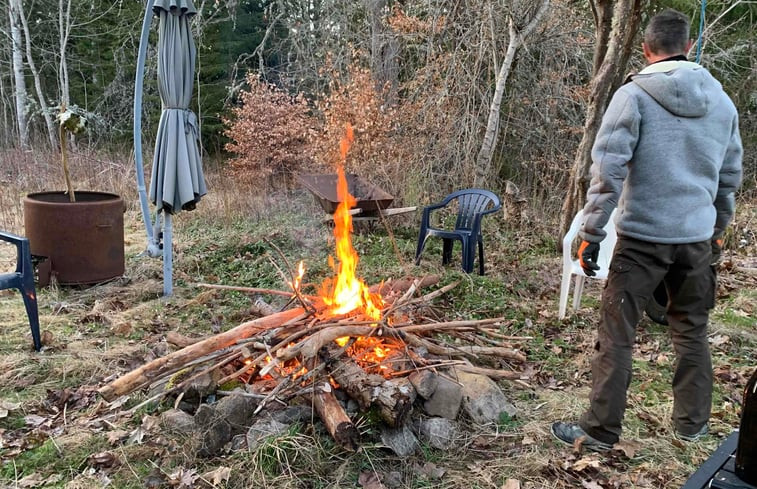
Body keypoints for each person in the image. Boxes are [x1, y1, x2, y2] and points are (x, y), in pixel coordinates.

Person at [551, 9, 743, 451]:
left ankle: (599, 431)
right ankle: (692, 427)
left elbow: (607, 171)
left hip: (641, 240)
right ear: (688, 47)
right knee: (692, 330)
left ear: (645, 49)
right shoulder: (722, 101)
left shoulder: (633, 96)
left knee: (618, 334)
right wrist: (717, 229)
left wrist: (591, 233)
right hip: (695, 240)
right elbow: (730, 175)